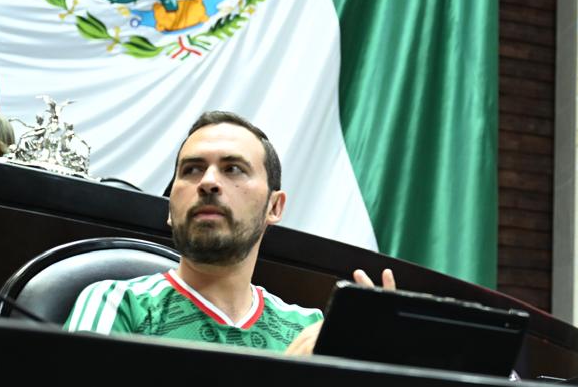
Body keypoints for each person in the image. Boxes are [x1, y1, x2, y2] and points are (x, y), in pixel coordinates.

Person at [64, 110, 392, 355]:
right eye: (192, 169)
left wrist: (383, 363)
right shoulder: (115, 304)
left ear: (274, 207)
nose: (208, 182)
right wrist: (291, 378)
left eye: (233, 169)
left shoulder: (309, 328)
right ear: (170, 208)